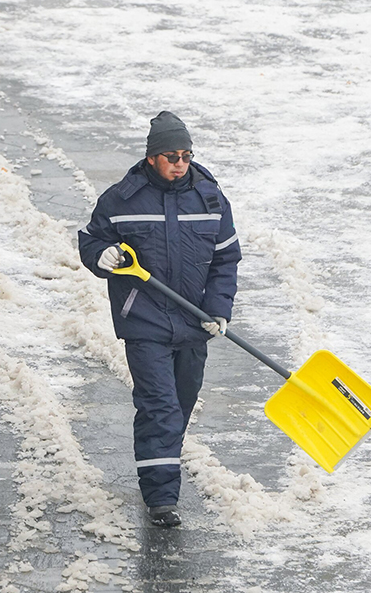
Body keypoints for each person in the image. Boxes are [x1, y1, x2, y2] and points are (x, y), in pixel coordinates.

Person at [78, 111, 241, 527]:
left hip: (193, 322)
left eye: (186, 155)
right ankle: (161, 499)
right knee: (159, 407)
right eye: (172, 156)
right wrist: (102, 256)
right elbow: (92, 240)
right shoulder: (122, 199)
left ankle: (158, 464)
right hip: (144, 320)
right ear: (152, 157)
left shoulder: (210, 199)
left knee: (181, 404)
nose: (180, 163)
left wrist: (218, 310)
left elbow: (226, 260)